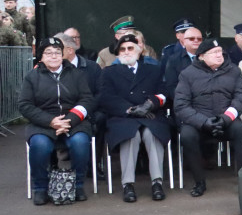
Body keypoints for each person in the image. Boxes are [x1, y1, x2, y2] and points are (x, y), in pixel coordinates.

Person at [19, 37, 94, 205]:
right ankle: (40, 188)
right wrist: (51, 121)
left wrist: (69, 120)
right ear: (41, 56)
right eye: (48, 53)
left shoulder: (77, 74)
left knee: (80, 142)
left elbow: (87, 100)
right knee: (40, 145)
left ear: (63, 55)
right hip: (43, 123)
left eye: (57, 52)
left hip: (73, 122)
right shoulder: (32, 77)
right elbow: (25, 105)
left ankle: (77, 185)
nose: (53, 56)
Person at [98, 34, 172, 202]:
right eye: (122, 49)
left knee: (151, 134)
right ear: (117, 54)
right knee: (131, 135)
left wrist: (150, 104)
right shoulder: (109, 72)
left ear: (139, 51)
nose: (126, 52)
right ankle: (128, 184)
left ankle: (157, 182)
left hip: (150, 114)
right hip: (123, 117)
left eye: (130, 48)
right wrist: (130, 109)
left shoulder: (153, 70)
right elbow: (105, 97)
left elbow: (164, 92)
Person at [174, 38, 242, 197]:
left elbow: (241, 98)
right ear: (201, 56)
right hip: (198, 121)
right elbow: (181, 105)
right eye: (213, 53)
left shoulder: (233, 70)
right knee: (187, 136)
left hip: (225, 118)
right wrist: (203, 122)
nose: (219, 55)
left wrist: (227, 118)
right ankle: (199, 181)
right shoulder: (187, 74)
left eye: (220, 51)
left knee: (241, 130)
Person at [163, 25, 203, 109]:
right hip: (184, 105)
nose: (196, 41)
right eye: (191, 38)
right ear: (184, 41)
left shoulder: (210, 57)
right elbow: (171, 86)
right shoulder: (174, 60)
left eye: (199, 39)